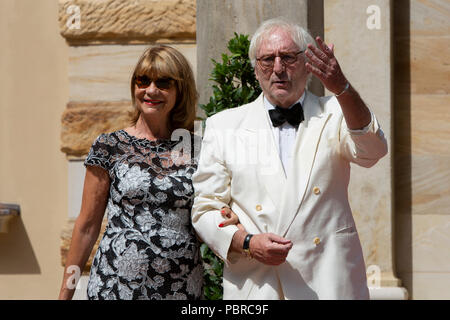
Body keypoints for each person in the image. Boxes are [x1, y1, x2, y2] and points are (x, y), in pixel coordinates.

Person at [191, 18, 388, 300]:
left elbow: (373, 151)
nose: (278, 69)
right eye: (267, 60)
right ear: (256, 70)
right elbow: (206, 208)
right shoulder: (224, 126)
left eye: (288, 58)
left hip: (328, 283)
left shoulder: (334, 113)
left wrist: (342, 88)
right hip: (259, 286)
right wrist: (247, 242)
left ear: (308, 64)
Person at [58, 45, 237, 300]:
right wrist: (66, 294)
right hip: (115, 289)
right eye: (143, 80)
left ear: (180, 90)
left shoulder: (200, 150)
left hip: (180, 290)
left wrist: (225, 217)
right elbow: (86, 227)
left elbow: (206, 216)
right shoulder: (110, 147)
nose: (151, 90)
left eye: (163, 83)